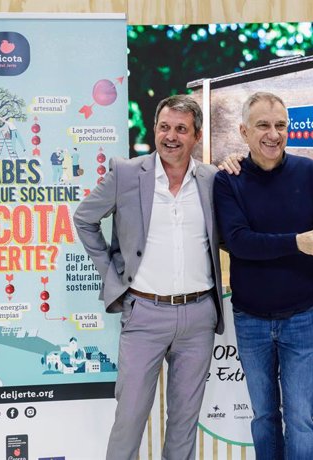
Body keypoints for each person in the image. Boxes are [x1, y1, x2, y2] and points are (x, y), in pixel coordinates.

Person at [74, 95, 224, 460]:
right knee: (129, 420)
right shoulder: (126, 173)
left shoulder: (212, 179)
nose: (170, 136)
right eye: (164, 127)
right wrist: (112, 276)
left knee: (184, 424)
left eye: (181, 129)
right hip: (143, 313)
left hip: (199, 317)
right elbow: (84, 219)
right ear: (155, 129)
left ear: (197, 136)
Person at [213, 91, 313, 460]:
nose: (273, 133)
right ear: (243, 131)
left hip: (301, 316)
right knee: (264, 416)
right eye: (263, 125)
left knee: (301, 419)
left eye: (281, 125)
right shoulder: (228, 180)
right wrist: (298, 242)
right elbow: (239, 242)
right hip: (250, 318)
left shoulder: (309, 171)